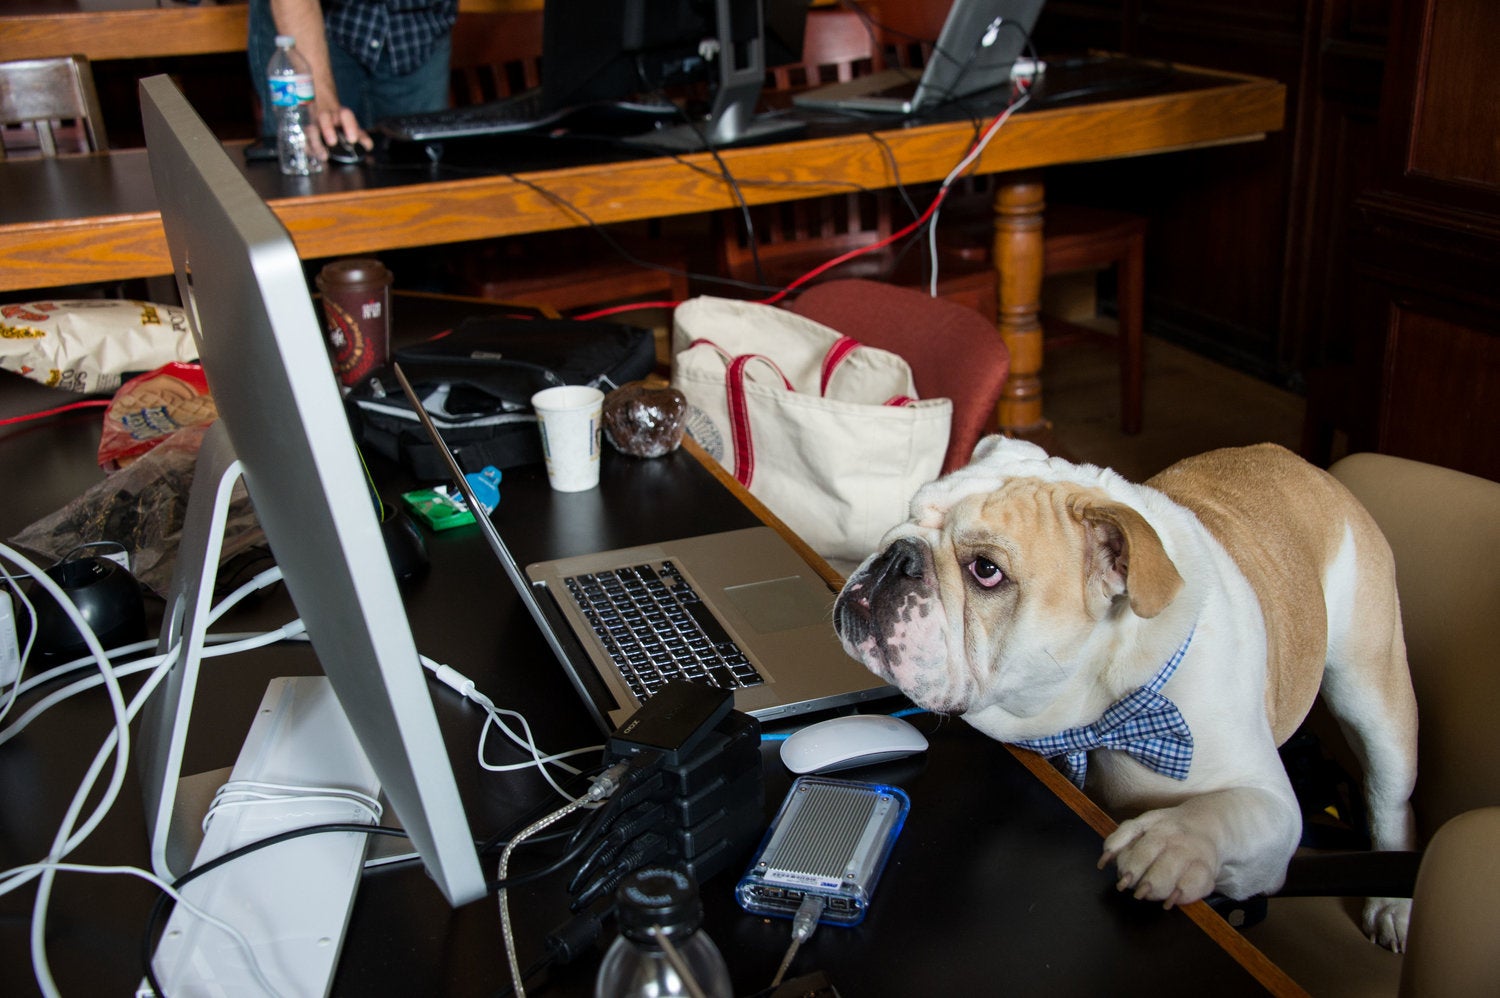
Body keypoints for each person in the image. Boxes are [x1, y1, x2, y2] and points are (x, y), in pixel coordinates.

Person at [247, 0, 458, 152]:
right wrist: (318, 96)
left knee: (422, 174)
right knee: (314, 161)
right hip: (318, 22)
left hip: (419, 25)